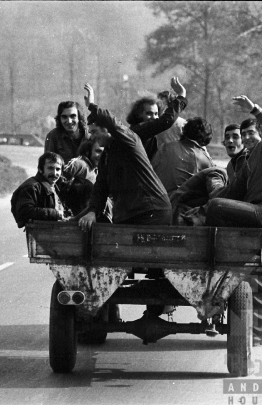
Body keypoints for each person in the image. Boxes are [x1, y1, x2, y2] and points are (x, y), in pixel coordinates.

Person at [79, 83, 174, 316]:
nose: (92, 137)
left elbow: (113, 121)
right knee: (117, 259)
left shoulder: (128, 138)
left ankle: (156, 308)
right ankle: (109, 307)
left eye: (94, 131)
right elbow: (100, 187)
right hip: (129, 214)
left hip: (152, 211)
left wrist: (92, 105)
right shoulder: (107, 155)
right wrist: (91, 211)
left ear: (107, 130)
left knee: (154, 263)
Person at [205, 95, 262, 230]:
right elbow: (233, 190)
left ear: (261, 134)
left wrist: (255, 110)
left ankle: (215, 243)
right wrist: (210, 196)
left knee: (217, 206)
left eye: (251, 133)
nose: (246, 138)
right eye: (243, 134)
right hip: (260, 210)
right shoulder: (249, 161)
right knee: (215, 204)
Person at [125, 77, 188, 161]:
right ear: (139, 114)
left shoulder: (140, 128)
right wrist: (182, 95)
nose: (154, 117)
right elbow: (166, 120)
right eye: (149, 113)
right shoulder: (140, 129)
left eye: (156, 114)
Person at [151, 117, 215, 198]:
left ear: (184, 130)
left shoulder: (164, 147)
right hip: (178, 202)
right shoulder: (203, 158)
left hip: (155, 197)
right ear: (207, 138)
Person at [57, 138, 112, 222]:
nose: (101, 156)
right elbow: (58, 186)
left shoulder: (97, 171)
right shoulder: (79, 164)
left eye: (104, 152)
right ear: (87, 151)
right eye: (98, 151)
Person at [10, 152, 67, 228]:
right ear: (40, 169)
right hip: (41, 232)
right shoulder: (31, 187)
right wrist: (56, 214)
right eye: (50, 168)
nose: (54, 173)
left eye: (58, 169)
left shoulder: (56, 186)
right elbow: (24, 212)